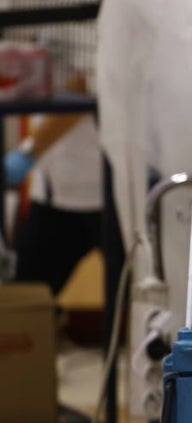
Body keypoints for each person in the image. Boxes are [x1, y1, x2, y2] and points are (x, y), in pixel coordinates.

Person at [6, 74, 117, 297]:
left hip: (105, 191)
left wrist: (28, 151)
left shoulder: (88, 43)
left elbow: (83, 90)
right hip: (54, 193)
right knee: (26, 298)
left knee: (133, 296)